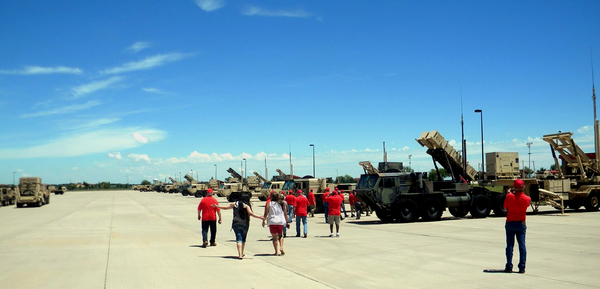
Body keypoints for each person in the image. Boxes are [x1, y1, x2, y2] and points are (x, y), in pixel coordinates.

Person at [213, 193, 264, 259]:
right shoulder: (246, 206)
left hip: (236, 223)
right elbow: (251, 214)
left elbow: (226, 208)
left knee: (238, 239)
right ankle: (242, 253)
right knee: (243, 239)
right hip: (245, 224)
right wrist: (260, 217)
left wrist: (217, 206)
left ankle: (240, 254)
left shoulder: (234, 204)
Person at [503, 179, 531, 273]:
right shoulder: (527, 199)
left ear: (514, 187)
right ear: (523, 187)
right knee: (522, 245)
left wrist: (509, 194)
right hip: (521, 223)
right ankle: (522, 267)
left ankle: (509, 266)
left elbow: (505, 207)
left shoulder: (509, 196)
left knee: (510, 246)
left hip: (510, 223)